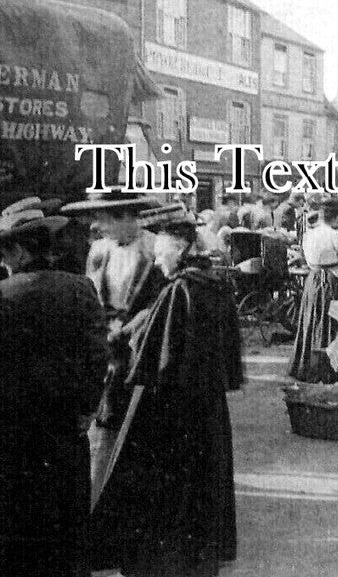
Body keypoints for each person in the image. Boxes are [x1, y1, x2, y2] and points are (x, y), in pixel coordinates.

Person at [90, 202, 243, 577]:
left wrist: (130, 339)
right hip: (206, 404)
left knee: (168, 486)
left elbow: (159, 356)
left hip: (174, 406)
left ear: (179, 248)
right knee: (201, 483)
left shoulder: (180, 291)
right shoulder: (214, 284)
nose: (159, 263)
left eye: (162, 256)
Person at [0, 200, 107, 577]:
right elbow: (98, 357)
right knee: (66, 524)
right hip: (66, 428)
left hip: (14, 432)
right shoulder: (81, 288)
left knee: (19, 525)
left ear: (18, 250)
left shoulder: (5, 295)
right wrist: (88, 409)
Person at [60, 189, 167, 487]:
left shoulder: (154, 248)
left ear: (127, 217)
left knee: (138, 419)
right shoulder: (100, 250)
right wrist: (100, 329)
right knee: (104, 419)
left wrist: (129, 327)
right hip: (106, 343)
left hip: (139, 342)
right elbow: (90, 296)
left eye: (105, 220)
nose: (99, 227)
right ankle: (100, 488)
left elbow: (159, 303)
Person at [290, 195, 338, 382]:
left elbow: (308, 259)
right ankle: (331, 369)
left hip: (313, 280)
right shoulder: (336, 235)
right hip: (333, 281)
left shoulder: (309, 234)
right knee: (332, 325)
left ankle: (308, 367)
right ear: (336, 217)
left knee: (312, 322)